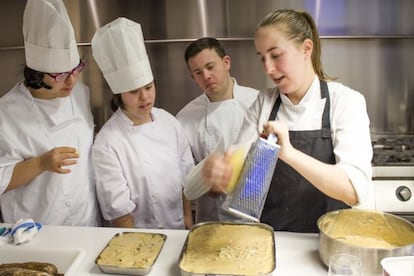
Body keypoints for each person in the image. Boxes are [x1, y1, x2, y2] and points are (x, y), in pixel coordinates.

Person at [184, 9, 373, 233]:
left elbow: (352, 190)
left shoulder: (346, 102)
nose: (268, 68)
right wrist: (222, 174)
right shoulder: (263, 104)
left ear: (306, 49)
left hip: (328, 242)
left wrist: (289, 153)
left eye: (275, 55)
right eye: (262, 58)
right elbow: (240, 175)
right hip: (273, 240)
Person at [0, 0, 100, 226]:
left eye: (75, 69)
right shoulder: (5, 115)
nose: (72, 80)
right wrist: (40, 164)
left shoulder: (80, 94)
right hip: (36, 229)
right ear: (36, 73)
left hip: (87, 223)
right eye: (61, 74)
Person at [91, 17, 194, 229]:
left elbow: (186, 180)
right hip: (137, 238)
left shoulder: (169, 122)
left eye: (148, 87)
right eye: (134, 92)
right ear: (119, 94)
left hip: (178, 231)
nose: (145, 97)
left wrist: (187, 222)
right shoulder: (107, 142)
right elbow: (119, 210)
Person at [176, 37, 259, 223]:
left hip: (258, 216)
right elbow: (183, 178)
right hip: (211, 219)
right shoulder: (184, 118)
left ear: (226, 62)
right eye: (198, 72)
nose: (206, 76)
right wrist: (206, 181)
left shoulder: (257, 102)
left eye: (210, 67)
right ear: (193, 77)